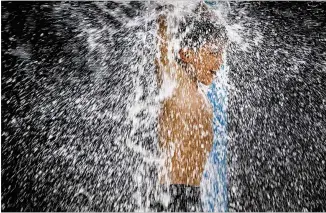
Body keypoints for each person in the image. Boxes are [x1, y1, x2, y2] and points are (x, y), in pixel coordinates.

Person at [152, 3, 228, 212]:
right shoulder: (176, 83)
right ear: (186, 54)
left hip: (193, 196)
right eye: (213, 53)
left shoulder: (201, 95)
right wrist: (166, 8)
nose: (219, 62)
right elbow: (162, 44)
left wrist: (200, 6)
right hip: (169, 196)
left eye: (221, 54)